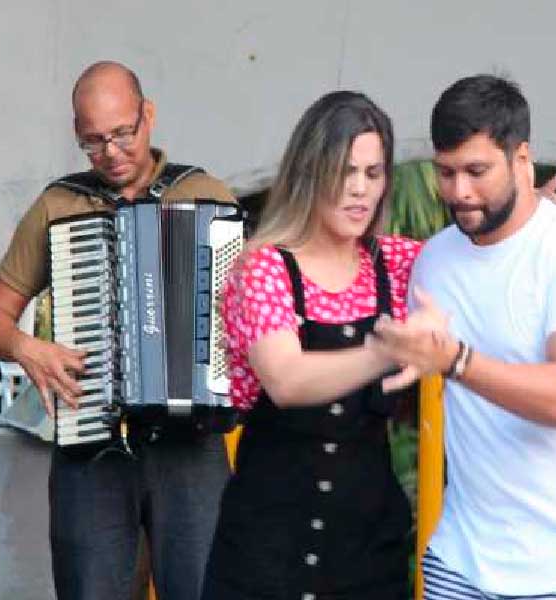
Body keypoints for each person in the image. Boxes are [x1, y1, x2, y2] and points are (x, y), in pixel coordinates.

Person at [0, 61, 234, 600]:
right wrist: (26, 347)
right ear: (77, 133)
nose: (111, 153)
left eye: (123, 133)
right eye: (93, 141)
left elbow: (244, 318)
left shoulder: (208, 196)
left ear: (148, 116)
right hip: (92, 447)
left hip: (191, 447)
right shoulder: (58, 205)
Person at [372, 74, 556, 599]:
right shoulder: (434, 260)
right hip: (461, 563)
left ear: (522, 159)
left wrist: (457, 361)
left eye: (477, 171)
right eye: (446, 172)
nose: (459, 191)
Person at [200, 90, 423, 600]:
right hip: (266, 556)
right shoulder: (265, 266)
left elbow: (482, 264)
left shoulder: (398, 263)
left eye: (373, 173)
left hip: (368, 554)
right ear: (309, 173)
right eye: (344, 172)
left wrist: (533, 222)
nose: (359, 189)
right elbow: (286, 379)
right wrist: (384, 352)